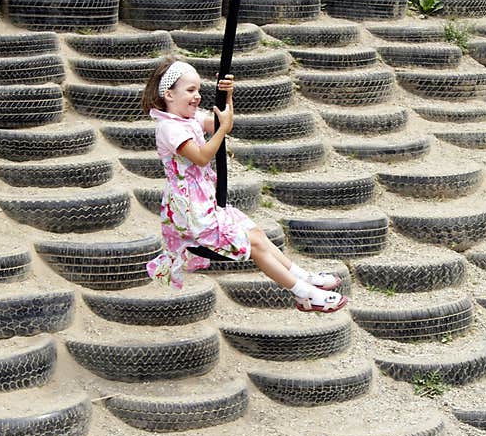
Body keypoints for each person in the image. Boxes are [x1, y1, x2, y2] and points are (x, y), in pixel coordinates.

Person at [140, 57, 348, 313]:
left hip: (205, 202)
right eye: (190, 90)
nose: (197, 97)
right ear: (169, 94)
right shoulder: (169, 128)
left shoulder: (188, 119)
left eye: (198, 90)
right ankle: (304, 294)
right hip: (191, 212)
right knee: (255, 246)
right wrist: (222, 130)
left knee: (257, 234)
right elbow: (203, 155)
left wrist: (226, 97)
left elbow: (222, 121)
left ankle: (302, 276)